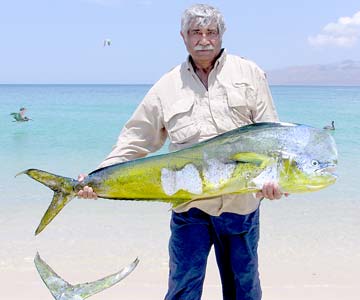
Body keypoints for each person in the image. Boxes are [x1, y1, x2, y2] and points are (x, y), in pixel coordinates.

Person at [78, 4, 286, 300]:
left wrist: (275, 180)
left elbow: (270, 136)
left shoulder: (249, 74)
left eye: (211, 32)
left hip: (242, 208)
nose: (204, 39)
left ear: (221, 35)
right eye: (196, 32)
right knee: (182, 292)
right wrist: (97, 178)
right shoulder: (167, 86)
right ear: (183, 37)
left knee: (245, 291)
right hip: (190, 209)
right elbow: (135, 139)